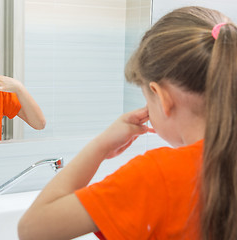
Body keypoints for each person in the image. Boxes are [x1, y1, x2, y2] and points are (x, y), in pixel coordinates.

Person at [18, 6, 237, 240]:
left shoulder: (158, 176)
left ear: (161, 97)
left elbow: (33, 229)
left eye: (146, 99)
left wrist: (100, 146)